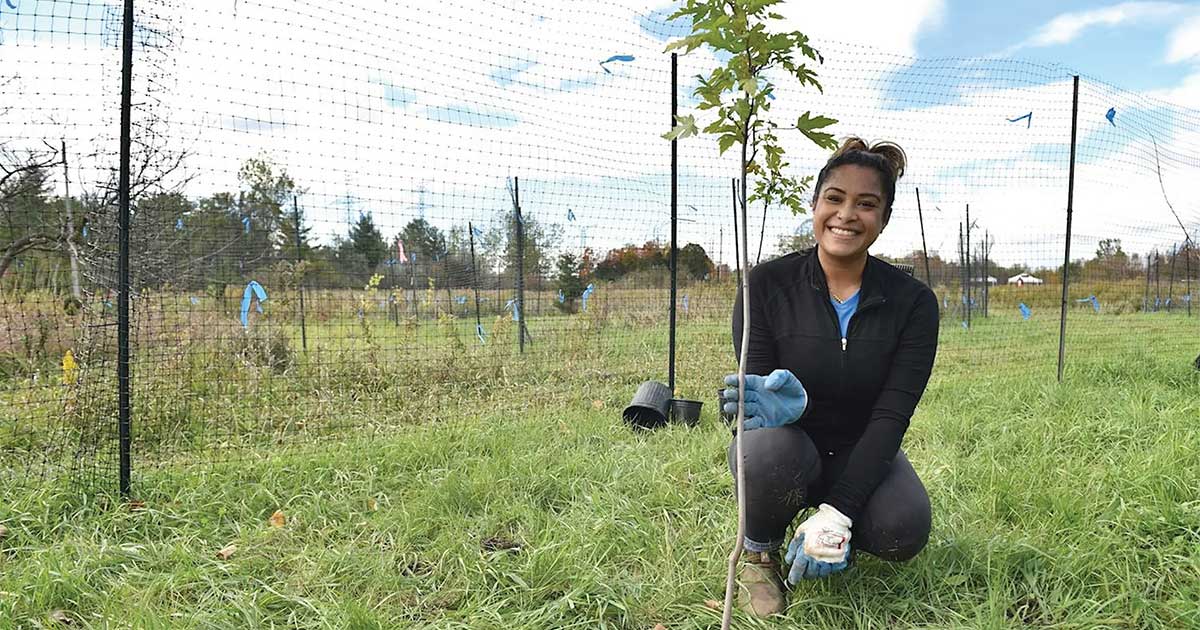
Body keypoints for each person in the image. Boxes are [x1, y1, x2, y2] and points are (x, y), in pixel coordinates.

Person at [722, 137, 940, 617]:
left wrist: (839, 513)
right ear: (815, 205)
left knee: (903, 526)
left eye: (867, 204)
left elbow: (891, 417)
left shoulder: (913, 304)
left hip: (861, 447)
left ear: (884, 218)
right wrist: (789, 408)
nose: (846, 215)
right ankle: (760, 555)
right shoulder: (765, 285)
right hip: (789, 445)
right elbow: (753, 412)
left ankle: (830, 533)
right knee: (763, 452)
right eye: (835, 198)